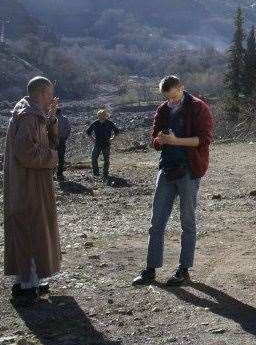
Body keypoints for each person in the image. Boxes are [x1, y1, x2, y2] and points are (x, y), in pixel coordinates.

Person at [133, 75, 213, 287]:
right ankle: (150, 269)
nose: (172, 102)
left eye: (175, 98)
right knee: (156, 221)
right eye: (168, 99)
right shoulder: (163, 110)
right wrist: (159, 140)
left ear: (182, 88)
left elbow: (204, 140)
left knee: (187, 220)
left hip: (188, 169)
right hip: (167, 168)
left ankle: (184, 270)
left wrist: (177, 141)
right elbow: (154, 140)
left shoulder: (199, 107)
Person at [3, 76, 61, 306]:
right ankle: (29, 284)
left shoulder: (32, 112)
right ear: (42, 93)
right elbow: (26, 152)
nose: (52, 98)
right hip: (29, 183)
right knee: (32, 228)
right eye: (50, 94)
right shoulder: (28, 115)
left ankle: (28, 280)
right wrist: (53, 158)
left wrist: (50, 119)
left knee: (33, 227)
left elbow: (42, 138)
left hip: (29, 181)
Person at [86, 109, 120, 181]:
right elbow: (88, 132)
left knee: (106, 159)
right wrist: (92, 139)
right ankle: (96, 173)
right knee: (94, 158)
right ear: (98, 116)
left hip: (106, 143)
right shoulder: (95, 123)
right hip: (97, 143)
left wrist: (113, 138)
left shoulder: (109, 123)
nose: (101, 117)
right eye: (100, 115)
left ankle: (105, 173)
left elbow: (116, 131)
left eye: (103, 115)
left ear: (105, 116)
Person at [56, 107, 71, 182]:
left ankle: (52, 173)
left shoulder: (51, 119)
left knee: (52, 156)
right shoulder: (65, 119)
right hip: (62, 140)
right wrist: (65, 137)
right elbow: (68, 129)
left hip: (53, 141)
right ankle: (59, 173)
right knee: (61, 157)